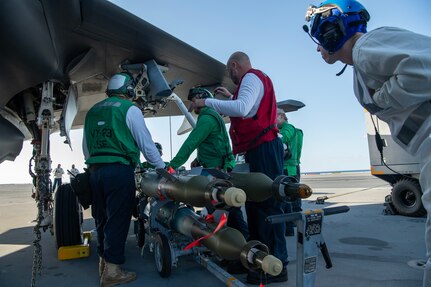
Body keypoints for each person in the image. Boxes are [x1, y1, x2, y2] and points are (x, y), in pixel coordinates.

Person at [304, 1, 431, 286]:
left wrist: (383, 99)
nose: (317, 48)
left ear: (332, 31)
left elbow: (424, 64)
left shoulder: (367, 46)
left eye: (318, 39)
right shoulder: (361, 65)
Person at [192, 52, 287, 284]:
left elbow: (244, 108)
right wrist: (231, 96)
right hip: (259, 149)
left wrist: (206, 102)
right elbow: (249, 105)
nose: (231, 76)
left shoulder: (252, 78)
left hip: (264, 147)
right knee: (256, 205)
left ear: (234, 66)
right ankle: (259, 260)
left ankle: (277, 264)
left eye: (230, 72)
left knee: (267, 204)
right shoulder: (252, 81)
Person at [83, 72, 165, 287]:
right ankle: (113, 271)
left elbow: (86, 146)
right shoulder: (130, 109)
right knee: (118, 220)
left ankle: (103, 262)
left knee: (101, 218)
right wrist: (162, 169)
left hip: (94, 170)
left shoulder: (92, 111)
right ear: (129, 90)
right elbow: (147, 145)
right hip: (119, 171)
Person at [168, 88, 249, 269]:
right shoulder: (215, 117)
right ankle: (235, 252)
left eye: (193, 99)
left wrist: (172, 165)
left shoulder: (206, 118)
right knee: (226, 213)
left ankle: (240, 255)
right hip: (218, 170)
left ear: (202, 99)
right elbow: (216, 145)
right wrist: (200, 160)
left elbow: (191, 142)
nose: (191, 104)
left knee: (226, 214)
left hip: (215, 174)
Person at [276, 108, 303, 236]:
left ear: (281, 116)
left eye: (273, 116)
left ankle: (291, 225)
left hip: (288, 168)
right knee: (292, 196)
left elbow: (282, 137)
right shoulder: (293, 130)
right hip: (291, 167)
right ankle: (293, 224)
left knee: (286, 196)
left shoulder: (288, 128)